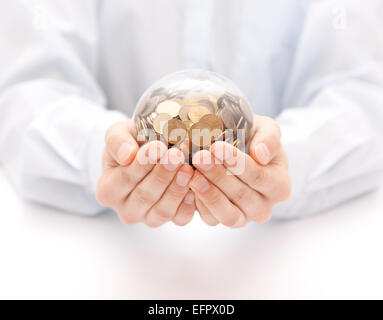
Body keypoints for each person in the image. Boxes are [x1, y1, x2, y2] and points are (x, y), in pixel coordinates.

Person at [0, 0, 382, 227]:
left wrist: (280, 161)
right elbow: (28, 87)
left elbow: (365, 91)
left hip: (288, 255)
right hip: (106, 254)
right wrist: (108, 156)